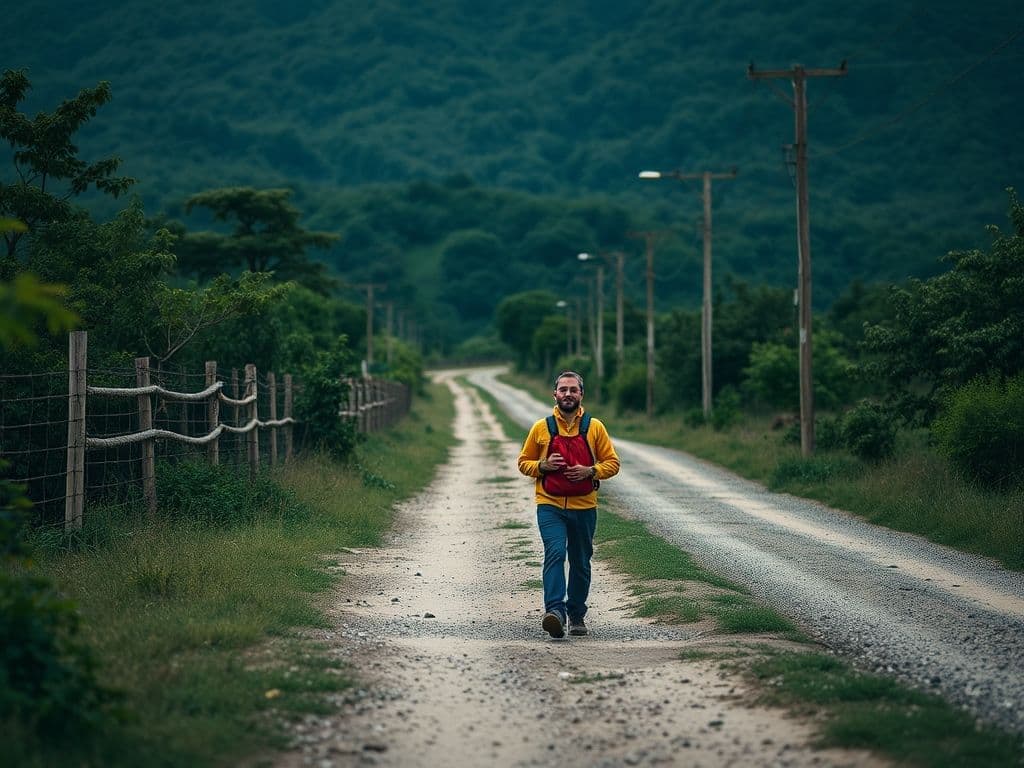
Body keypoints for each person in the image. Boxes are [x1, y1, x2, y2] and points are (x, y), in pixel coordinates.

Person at [517, 371, 620, 638]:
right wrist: (542, 466)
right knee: (554, 553)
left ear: (581, 394)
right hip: (549, 505)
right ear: (554, 394)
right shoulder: (541, 428)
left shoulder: (594, 427)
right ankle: (554, 612)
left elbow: (613, 463)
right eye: (563, 389)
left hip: (584, 506)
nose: (568, 394)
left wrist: (591, 471)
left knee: (581, 561)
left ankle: (576, 614)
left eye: (573, 389)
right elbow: (522, 462)